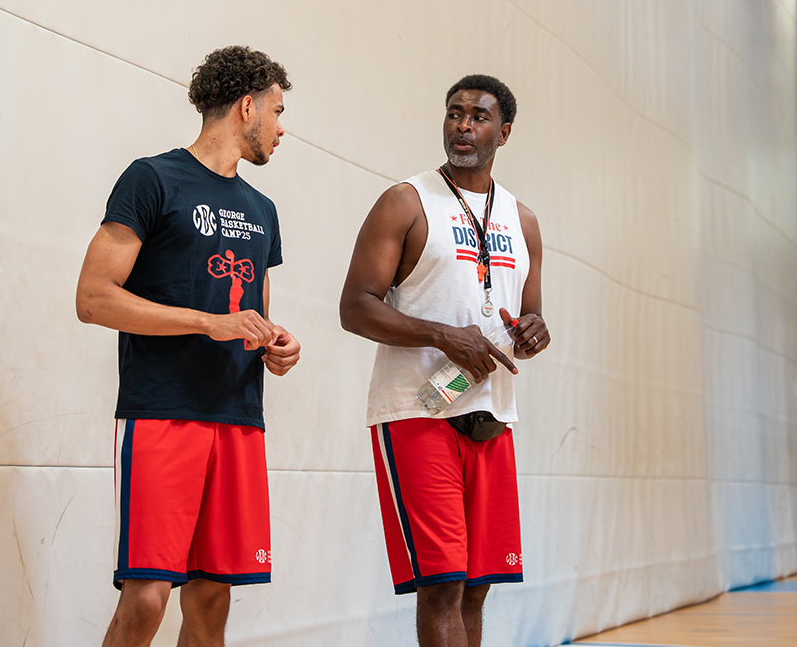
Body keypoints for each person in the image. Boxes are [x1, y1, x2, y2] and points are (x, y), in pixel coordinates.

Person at [75, 45, 300, 647]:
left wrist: (275, 343)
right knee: (147, 596)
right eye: (278, 112)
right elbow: (93, 299)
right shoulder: (152, 178)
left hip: (237, 417)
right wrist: (205, 323)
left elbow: (256, 315)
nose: (283, 129)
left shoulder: (262, 210)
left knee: (210, 600)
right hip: (161, 413)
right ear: (247, 106)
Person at [339, 74, 549, 646]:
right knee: (442, 585)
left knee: (479, 584)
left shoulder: (522, 220)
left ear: (503, 133)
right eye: (454, 113)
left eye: (478, 117)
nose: (463, 125)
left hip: (491, 416)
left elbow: (528, 316)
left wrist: (534, 332)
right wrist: (442, 336)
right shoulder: (405, 201)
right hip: (417, 412)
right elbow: (354, 307)